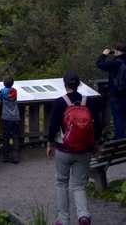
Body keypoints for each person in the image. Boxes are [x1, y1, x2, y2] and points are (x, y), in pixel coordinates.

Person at [46, 71, 104, 225]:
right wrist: (95, 144)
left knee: (61, 183)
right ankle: (83, 216)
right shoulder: (89, 102)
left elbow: (52, 126)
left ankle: (63, 219)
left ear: (65, 85)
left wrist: (50, 143)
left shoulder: (59, 102)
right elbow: (98, 125)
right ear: (78, 84)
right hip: (84, 150)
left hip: (63, 149)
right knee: (79, 185)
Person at [96, 43, 126, 138]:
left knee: (118, 118)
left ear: (116, 51)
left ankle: (120, 139)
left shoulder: (114, 63)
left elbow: (99, 64)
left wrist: (104, 54)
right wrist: (121, 53)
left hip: (116, 95)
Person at [0, 75, 21, 163]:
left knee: (5, 137)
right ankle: (15, 157)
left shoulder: (2, 91)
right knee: (15, 137)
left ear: (3, 83)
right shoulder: (15, 91)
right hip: (15, 117)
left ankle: (5, 157)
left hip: (6, 117)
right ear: (12, 83)